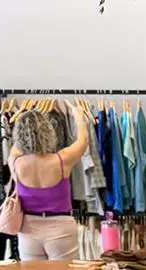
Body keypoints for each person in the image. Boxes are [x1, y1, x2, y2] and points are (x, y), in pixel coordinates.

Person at [8, 107, 88, 261]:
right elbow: (83, 141)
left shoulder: (16, 163)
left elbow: (16, 147)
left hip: (28, 229)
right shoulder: (62, 160)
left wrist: (25, 124)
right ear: (48, 132)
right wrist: (78, 116)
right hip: (61, 228)